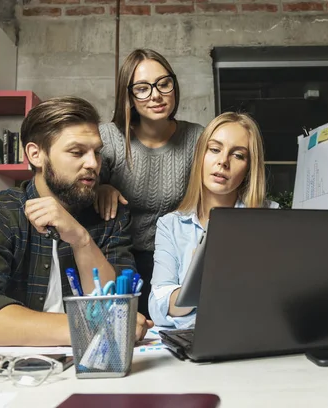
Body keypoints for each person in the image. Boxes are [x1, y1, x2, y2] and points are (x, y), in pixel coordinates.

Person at [0, 96, 153, 347]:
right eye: (77, 152)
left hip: (95, 364)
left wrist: (81, 240)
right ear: (35, 154)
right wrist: (87, 326)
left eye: (96, 152)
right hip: (15, 373)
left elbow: (121, 306)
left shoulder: (111, 215)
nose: (93, 164)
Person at [97, 49, 204, 317]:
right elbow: (80, 188)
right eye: (142, 89)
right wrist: (101, 187)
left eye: (163, 84)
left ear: (173, 85)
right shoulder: (109, 138)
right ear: (129, 96)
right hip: (120, 260)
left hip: (176, 262)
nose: (156, 95)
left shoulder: (196, 138)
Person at [148, 112, 279, 328]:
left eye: (238, 155)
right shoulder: (170, 225)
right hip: (194, 338)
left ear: (249, 168)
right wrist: (198, 281)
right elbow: (158, 307)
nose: (223, 162)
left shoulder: (270, 216)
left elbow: (280, 297)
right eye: (215, 149)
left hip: (253, 334)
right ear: (201, 155)